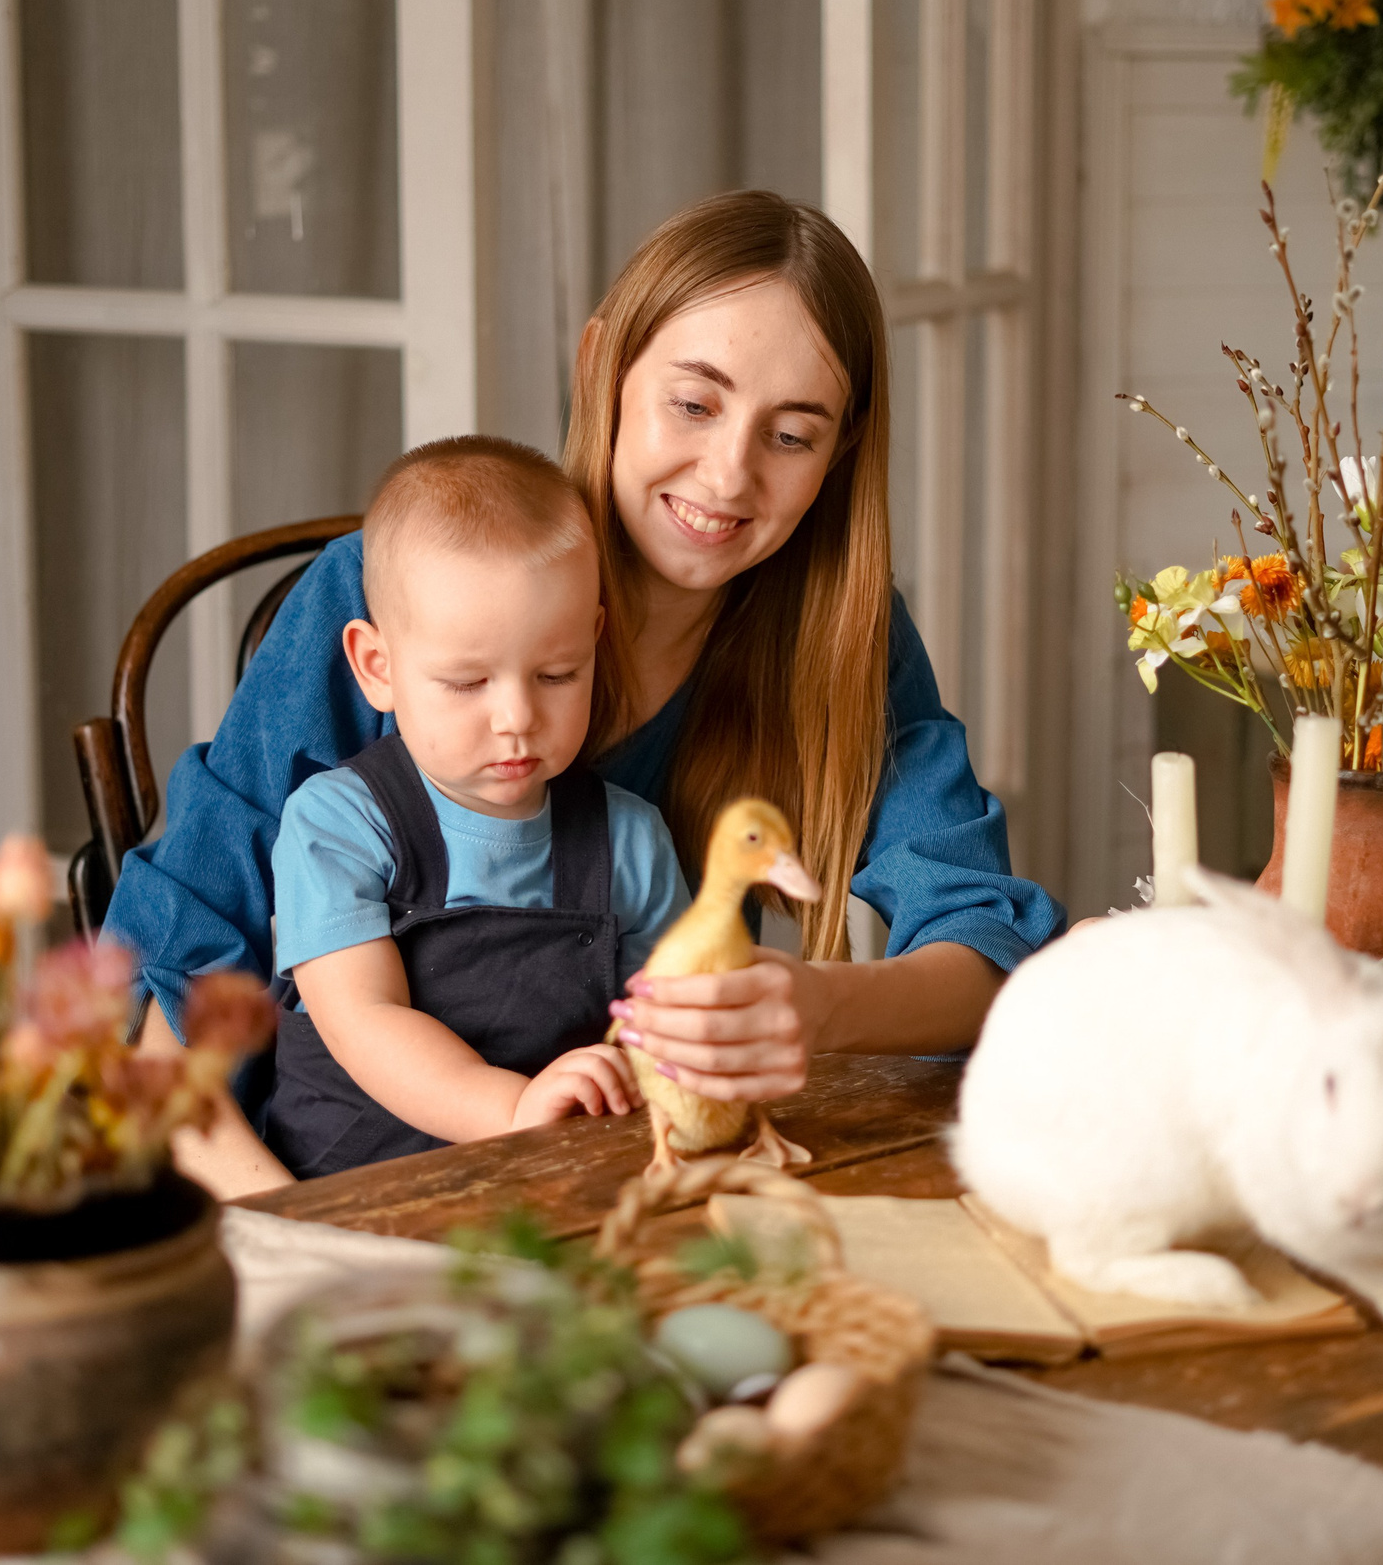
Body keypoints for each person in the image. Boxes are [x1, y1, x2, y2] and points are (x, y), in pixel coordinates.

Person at [117, 189, 1066, 1198]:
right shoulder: (380, 595)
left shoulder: (839, 639)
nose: (728, 475)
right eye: (693, 403)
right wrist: (297, 1239)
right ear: (601, 367)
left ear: (840, 453)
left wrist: (818, 1004)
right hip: (311, 1190)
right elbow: (171, 995)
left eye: (792, 435)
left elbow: (983, 944)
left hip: (611, 1192)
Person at [239, 437, 687, 1186]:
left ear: (594, 643)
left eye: (557, 673)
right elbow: (365, 1020)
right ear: (377, 667)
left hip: (547, 1193)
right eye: (467, 682)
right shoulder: (337, 826)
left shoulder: (630, 840)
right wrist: (514, 1109)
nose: (517, 718)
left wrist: (641, 1071)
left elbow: (667, 1025)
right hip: (351, 1197)